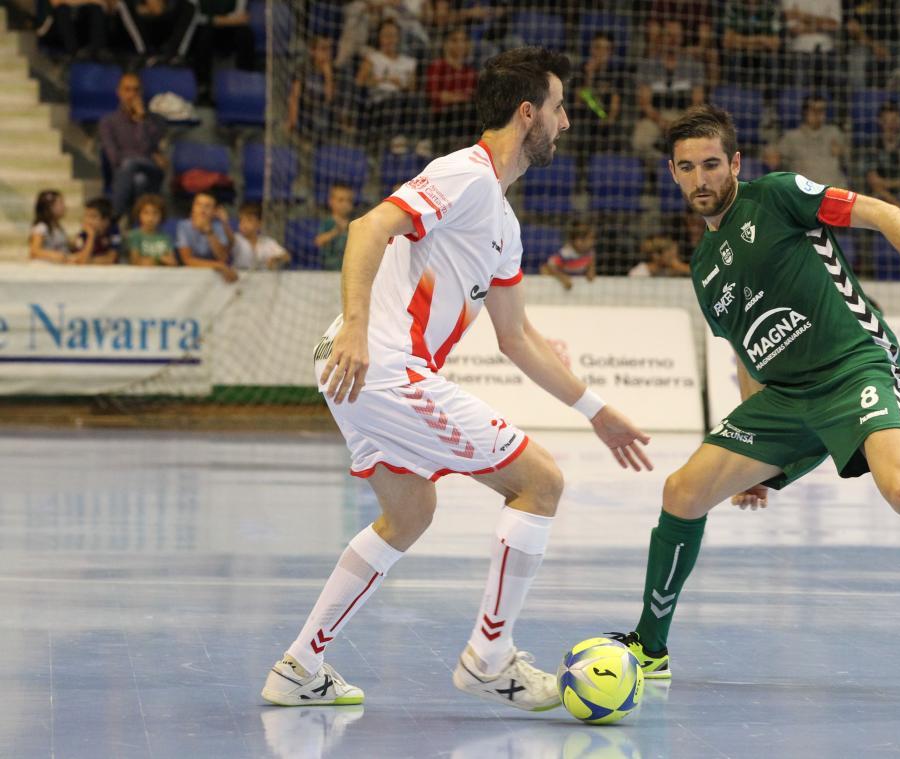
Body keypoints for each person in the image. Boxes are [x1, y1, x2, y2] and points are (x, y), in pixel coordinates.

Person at [607, 104, 900, 689]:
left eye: (710, 164)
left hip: (856, 368)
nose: (700, 179)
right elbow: (745, 355)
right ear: (673, 174)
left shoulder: (777, 196)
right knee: (682, 492)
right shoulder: (704, 269)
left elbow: (884, 213)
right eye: (686, 168)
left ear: (734, 163)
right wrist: (754, 452)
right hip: (783, 398)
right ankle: (650, 649)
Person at [260, 46, 653, 712]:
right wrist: (356, 325)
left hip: (365, 366)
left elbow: (516, 337)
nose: (565, 123)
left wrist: (597, 409)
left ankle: (300, 663)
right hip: (378, 360)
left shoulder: (503, 223)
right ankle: (489, 657)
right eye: (559, 109)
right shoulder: (467, 175)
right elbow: (370, 225)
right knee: (541, 480)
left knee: (409, 513)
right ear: (528, 113)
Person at [631, 20, 706, 160]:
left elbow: (698, 102)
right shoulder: (647, 65)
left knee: (698, 146)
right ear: (661, 38)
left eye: (677, 36)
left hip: (684, 117)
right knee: (639, 142)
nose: (673, 40)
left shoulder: (694, 65)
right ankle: (663, 167)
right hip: (655, 117)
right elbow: (644, 102)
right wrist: (661, 121)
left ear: (682, 38)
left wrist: (681, 122)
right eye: (669, 35)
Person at [99, 73, 168, 224]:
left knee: (131, 165)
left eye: (136, 90)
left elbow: (144, 149)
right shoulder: (108, 122)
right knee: (138, 180)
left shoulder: (155, 121)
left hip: (152, 173)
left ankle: (112, 218)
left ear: (141, 93)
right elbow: (114, 159)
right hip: (124, 174)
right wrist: (147, 155)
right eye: (127, 90)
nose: (132, 95)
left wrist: (141, 121)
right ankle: (135, 226)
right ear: (119, 92)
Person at [357, 19, 422, 148]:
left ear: (399, 38)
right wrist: (385, 80)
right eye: (386, 36)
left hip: (402, 98)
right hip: (379, 101)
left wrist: (401, 85)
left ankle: (421, 140)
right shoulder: (372, 58)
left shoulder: (409, 62)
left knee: (416, 100)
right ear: (379, 38)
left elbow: (413, 88)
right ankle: (395, 138)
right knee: (395, 99)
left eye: (393, 36)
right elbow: (359, 81)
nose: (390, 40)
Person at [763, 95, 847, 188]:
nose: (818, 114)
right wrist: (772, 156)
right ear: (805, 112)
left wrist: (842, 150)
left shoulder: (833, 132)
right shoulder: (793, 137)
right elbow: (772, 155)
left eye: (821, 110)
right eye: (813, 110)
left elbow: (848, 156)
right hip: (804, 193)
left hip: (834, 189)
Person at [425, 25, 479, 155]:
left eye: (463, 40)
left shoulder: (470, 72)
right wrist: (461, 96)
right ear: (446, 44)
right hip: (442, 117)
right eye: (455, 40)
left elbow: (475, 97)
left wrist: (454, 96)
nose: (460, 44)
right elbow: (437, 95)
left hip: (467, 117)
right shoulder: (438, 66)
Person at [569, 32, 627, 153]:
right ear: (591, 50)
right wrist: (589, 75)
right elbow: (578, 101)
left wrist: (607, 120)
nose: (601, 53)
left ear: (610, 53)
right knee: (581, 132)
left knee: (613, 134)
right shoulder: (580, 71)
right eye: (597, 47)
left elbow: (615, 105)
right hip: (583, 121)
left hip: (605, 123)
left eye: (606, 49)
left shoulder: (615, 74)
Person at [862, 101, 900, 214]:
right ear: (880, 122)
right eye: (886, 121)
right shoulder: (872, 146)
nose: (891, 125)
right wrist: (898, 206)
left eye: (894, 120)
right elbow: (874, 183)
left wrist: (885, 183)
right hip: (880, 201)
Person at [188, 0, 257, 92]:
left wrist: (220, 20)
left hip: (229, 28)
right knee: (204, 36)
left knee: (246, 34)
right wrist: (216, 20)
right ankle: (203, 86)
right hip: (203, 27)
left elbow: (240, 17)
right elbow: (192, 15)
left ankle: (245, 81)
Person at [719, 0, 784, 93]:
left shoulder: (771, 8)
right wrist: (760, 39)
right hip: (739, 53)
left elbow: (775, 44)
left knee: (773, 65)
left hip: (763, 54)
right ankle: (736, 96)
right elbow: (727, 42)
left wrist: (741, 40)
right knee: (735, 59)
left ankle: (769, 102)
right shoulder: (733, 6)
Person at [176, 192, 238, 282]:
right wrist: (218, 265)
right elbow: (187, 260)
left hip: (214, 278)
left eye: (207, 206)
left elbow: (222, 258)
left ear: (214, 211)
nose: (202, 209)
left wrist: (209, 232)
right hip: (189, 276)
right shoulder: (183, 226)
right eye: (198, 204)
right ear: (193, 208)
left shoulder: (218, 227)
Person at [287, 37, 337, 143]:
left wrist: (328, 76)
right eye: (323, 49)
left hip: (324, 113)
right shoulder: (302, 68)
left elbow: (330, 99)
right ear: (312, 51)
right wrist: (292, 122)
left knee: (323, 120)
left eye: (329, 49)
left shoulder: (334, 71)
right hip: (305, 113)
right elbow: (294, 96)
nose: (327, 53)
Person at [232, 202, 291, 270]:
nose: (244, 224)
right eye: (241, 220)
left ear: (259, 224)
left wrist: (275, 259)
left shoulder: (267, 242)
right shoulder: (236, 239)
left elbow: (287, 256)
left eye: (249, 220)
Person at [540, 220, 596, 291]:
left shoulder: (590, 252)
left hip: (576, 279)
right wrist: (562, 278)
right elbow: (550, 266)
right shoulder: (566, 253)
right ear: (577, 241)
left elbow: (591, 263)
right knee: (544, 270)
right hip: (561, 277)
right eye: (588, 239)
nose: (592, 242)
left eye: (593, 239)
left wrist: (590, 271)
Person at [28, 189, 80, 264]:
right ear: (50, 207)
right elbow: (34, 251)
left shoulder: (57, 227)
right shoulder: (41, 227)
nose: (64, 207)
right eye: (61, 203)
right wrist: (57, 255)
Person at [126, 194, 177, 266]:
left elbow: (172, 262)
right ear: (139, 215)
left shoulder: (166, 237)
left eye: (155, 213)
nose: (150, 218)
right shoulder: (134, 235)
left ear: (161, 216)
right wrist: (159, 258)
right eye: (146, 213)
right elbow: (136, 262)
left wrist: (150, 260)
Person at [315, 183, 356, 271]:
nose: (345, 204)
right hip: (328, 267)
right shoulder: (328, 222)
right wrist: (335, 232)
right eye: (341, 200)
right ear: (331, 201)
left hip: (349, 267)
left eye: (349, 200)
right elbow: (318, 241)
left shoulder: (354, 223)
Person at [72, 197, 121, 265]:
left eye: (93, 216)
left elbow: (111, 259)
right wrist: (91, 237)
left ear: (106, 221)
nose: (88, 220)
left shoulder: (113, 231)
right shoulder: (82, 234)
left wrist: (89, 260)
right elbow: (81, 260)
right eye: (86, 216)